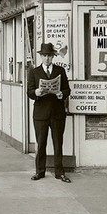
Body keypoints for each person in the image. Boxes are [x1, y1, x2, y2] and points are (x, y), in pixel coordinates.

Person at [27, 42, 72, 183]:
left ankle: (60, 172)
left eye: (49, 56)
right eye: (45, 56)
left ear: (53, 57)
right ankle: (40, 172)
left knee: (58, 144)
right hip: (40, 113)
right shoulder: (34, 72)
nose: (47, 58)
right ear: (41, 56)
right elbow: (29, 91)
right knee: (41, 144)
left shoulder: (60, 71)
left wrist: (61, 94)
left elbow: (67, 90)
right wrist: (36, 92)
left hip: (57, 113)